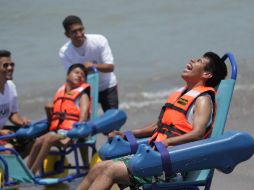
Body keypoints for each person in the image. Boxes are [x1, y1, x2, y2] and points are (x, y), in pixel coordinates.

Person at [76, 52, 228, 190]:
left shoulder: (202, 100)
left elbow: (198, 133)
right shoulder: (181, 95)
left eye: (199, 61)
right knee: (98, 168)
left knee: (110, 171)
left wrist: (168, 142)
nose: (192, 60)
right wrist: (127, 134)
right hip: (155, 158)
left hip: (172, 164)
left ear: (207, 74)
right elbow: (159, 127)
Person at [27, 64, 91, 174]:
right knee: (38, 141)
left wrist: (72, 134)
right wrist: (48, 111)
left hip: (72, 133)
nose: (80, 75)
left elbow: (83, 117)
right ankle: (25, 170)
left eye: (83, 75)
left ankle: (32, 172)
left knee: (49, 138)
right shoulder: (60, 92)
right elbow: (52, 121)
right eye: (76, 72)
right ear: (67, 76)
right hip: (57, 131)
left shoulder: (82, 95)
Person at [59, 15, 118, 112]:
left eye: (81, 29)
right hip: (86, 90)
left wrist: (94, 66)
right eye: (74, 32)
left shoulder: (99, 40)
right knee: (87, 122)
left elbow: (110, 67)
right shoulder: (64, 52)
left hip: (107, 86)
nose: (79, 34)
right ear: (67, 35)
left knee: (113, 123)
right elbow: (72, 79)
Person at [0, 50, 31, 156]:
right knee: (8, 149)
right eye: (5, 65)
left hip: (3, 131)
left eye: (11, 64)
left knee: (32, 139)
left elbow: (13, 114)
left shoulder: (11, 86)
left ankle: (20, 170)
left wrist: (22, 122)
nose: (10, 68)